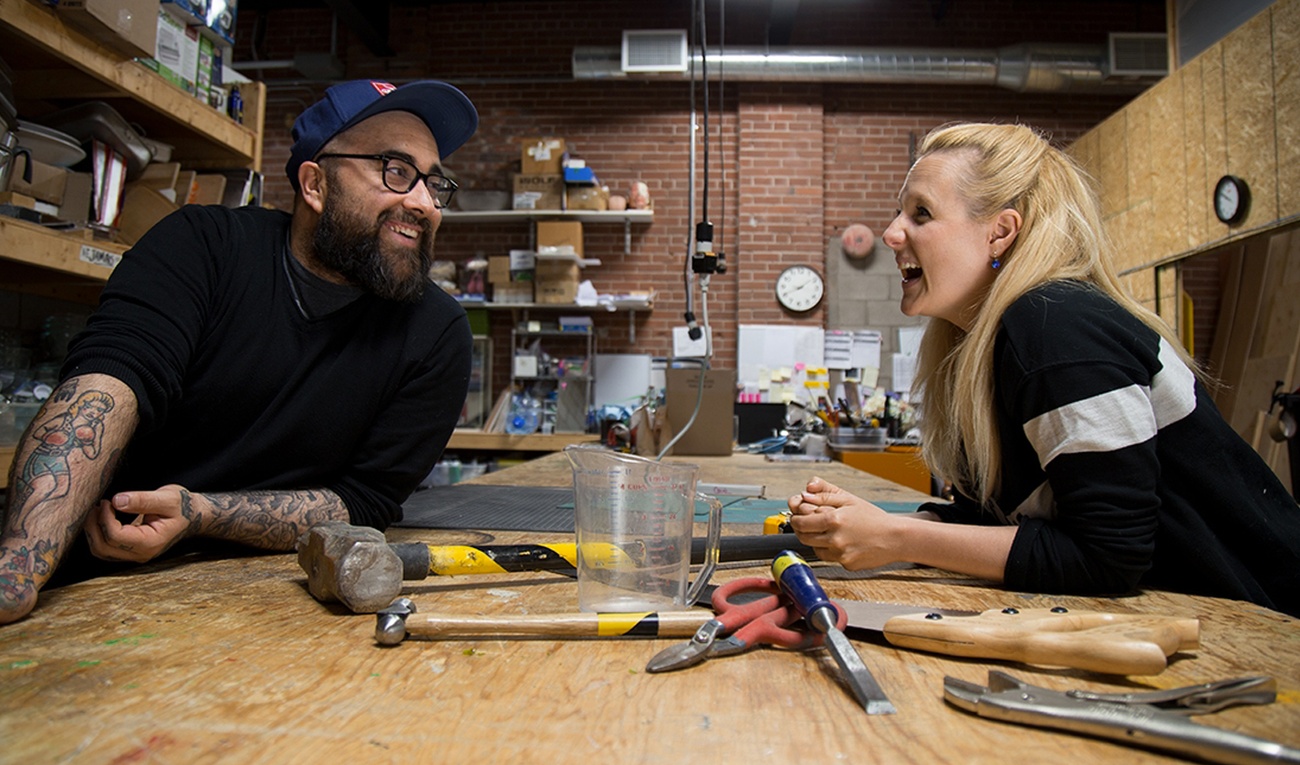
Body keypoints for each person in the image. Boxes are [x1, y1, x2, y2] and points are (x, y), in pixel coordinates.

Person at [0, 79, 479, 624]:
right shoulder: (203, 247)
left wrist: (202, 514)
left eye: (434, 184)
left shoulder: (437, 333)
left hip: (278, 599)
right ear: (315, 184)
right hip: (96, 580)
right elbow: (108, 383)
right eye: (396, 171)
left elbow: (364, 502)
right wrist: (16, 571)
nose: (423, 203)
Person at [789, 122, 1300, 617]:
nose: (892, 233)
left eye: (921, 213)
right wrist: (864, 526)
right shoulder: (981, 349)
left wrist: (899, 538)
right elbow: (989, 520)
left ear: (1001, 232)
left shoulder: (1056, 327)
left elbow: (1109, 556)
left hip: (1268, 628)